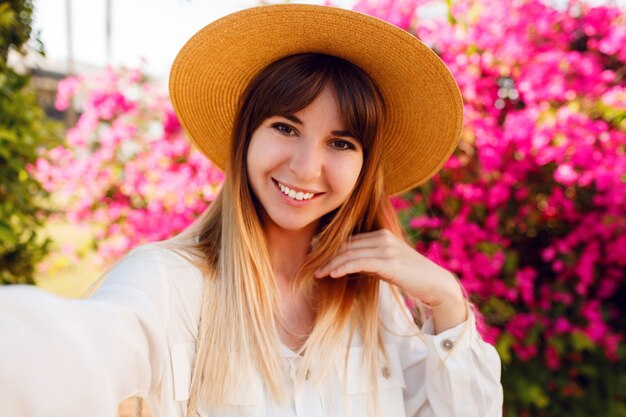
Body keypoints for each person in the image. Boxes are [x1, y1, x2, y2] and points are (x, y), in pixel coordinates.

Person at [0, 4, 503, 417]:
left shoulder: (379, 304)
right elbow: (78, 349)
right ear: (247, 137)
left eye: (341, 142)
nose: (307, 168)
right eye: (285, 127)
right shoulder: (167, 284)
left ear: (365, 165)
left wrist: (445, 298)